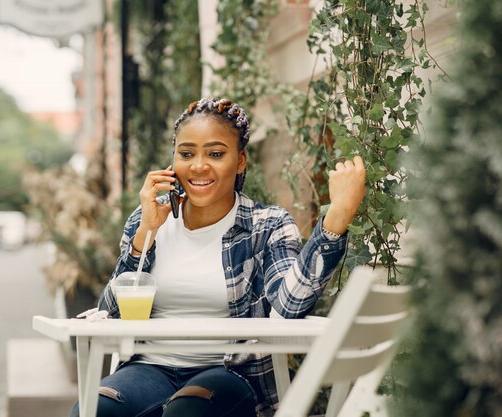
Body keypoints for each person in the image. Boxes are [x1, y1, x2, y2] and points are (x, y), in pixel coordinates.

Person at [69, 97, 366, 417]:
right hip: (150, 368)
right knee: (92, 409)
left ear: (240, 161)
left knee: (187, 410)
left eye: (215, 153)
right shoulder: (149, 220)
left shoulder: (268, 225)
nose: (198, 165)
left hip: (230, 373)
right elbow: (110, 313)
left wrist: (335, 220)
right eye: (186, 154)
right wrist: (146, 233)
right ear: (173, 162)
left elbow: (285, 312)